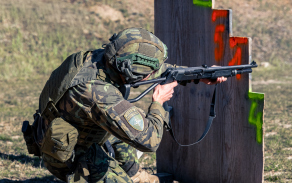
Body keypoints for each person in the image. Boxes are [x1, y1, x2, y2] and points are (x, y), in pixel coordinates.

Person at [34, 27, 226, 183]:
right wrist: (158, 102)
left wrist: (201, 74)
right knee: (133, 126)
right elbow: (149, 141)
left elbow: (158, 69)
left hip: (76, 133)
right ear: (129, 72)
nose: (153, 74)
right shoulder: (98, 92)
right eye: (148, 74)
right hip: (70, 155)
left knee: (122, 127)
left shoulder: (102, 59)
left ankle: (137, 177)